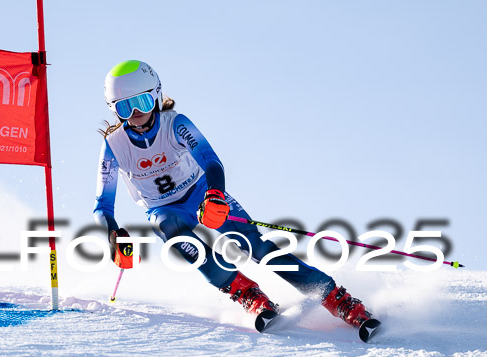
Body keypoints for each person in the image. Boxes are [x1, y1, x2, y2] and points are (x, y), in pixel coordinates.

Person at [93, 60, 379, 339]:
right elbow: (103, 206)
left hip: (201, 192)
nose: (135, 113)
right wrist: (114, 235)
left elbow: (212, 162)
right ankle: (246, 293)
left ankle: (336, 298)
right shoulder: (114, 145)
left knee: (254, 245)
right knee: (165, 225)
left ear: (156, 95)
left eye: (141, 102)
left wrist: (215, 195)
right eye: (124, 107)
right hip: (166, 209)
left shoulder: (175, 124)